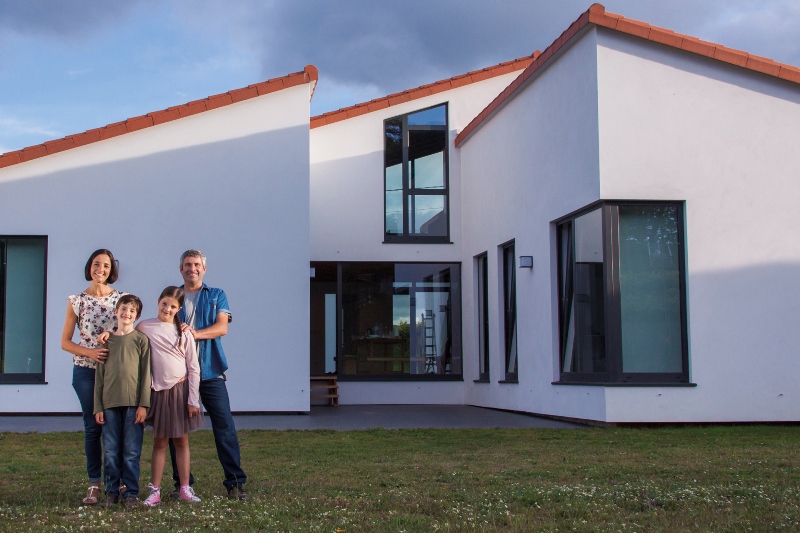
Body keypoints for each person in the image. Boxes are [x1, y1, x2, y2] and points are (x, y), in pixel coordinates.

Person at [169, 249, 248, 499]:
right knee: (176, 430)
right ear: (180, 268)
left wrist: (194, 333)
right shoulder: (172, 296)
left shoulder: (216, 295)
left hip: (211, 371)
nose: (192, 268)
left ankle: (235, 483)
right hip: (179, 374)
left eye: (196, 264)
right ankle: (181, 485)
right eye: (187, 264)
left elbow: (222, 327)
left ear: (204, 269)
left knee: (224, 426)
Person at [61, 249, 126, 505]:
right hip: (85, 372)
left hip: (114, 372)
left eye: (106, 266)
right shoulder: (76, 301)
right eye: (97, 264)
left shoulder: (121, 299)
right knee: (92, 428)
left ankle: (118, 482)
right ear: (90, 267)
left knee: (114, 426)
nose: (101, 269)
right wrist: (89, 352)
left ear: (112, 270)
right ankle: (94, 484)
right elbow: (65, 342)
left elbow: (128, 330)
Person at [137, 287, 203, 506]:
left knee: (182, 441)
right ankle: (154, 490)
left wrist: (193, 400)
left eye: (173, 306)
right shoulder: (145, 327)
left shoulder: (184, 332)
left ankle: (185, 488)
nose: (167, 309)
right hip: (157, 392)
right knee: (159, 442)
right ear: (158, 301)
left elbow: (193, 367)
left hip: (180, 391)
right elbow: (128, 340)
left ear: (179, 309)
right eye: (164, 304)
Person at [93, 295, 151, 508]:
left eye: (132, 311)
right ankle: (111, 492)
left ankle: (131, 493)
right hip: (109, 404)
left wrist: (144, 404)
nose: (127, 313)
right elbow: (99, 375)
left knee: (131, 451)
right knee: (110, 450)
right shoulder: (107, 341)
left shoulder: (141, 340)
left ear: (137, 316)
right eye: (124, 309)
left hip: (133, 405)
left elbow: (146, 375)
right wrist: (98, 406)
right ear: (116, 311)